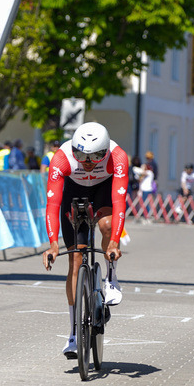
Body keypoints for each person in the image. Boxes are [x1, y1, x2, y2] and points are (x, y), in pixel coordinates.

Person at [42, 122, 128, 358]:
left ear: (106, 151)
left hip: (103, 189)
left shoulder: (118, 156)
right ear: (73, 149)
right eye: (81, 155)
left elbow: (120, 203)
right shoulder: (62, 159)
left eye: (96, 156)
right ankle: (73, 334)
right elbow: (52, 205)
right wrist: (52, 244)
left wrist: (114, 243)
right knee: (75, 260)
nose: (88, 161)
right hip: (74, 190)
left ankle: (111, 277)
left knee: (107, 226)